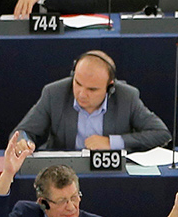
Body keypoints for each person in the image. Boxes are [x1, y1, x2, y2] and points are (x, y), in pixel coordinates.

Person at [10, 51, 169, 151]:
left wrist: (112, 143)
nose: (81, 94)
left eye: (92, 89)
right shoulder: (54, 93)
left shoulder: (127, 97)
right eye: (78, 83)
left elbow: (161, 134)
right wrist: (23, 142)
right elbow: (22, 132)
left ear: (109, 87)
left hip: (108, 174)